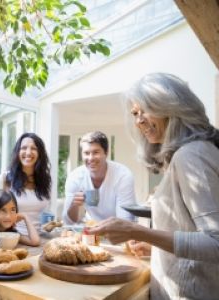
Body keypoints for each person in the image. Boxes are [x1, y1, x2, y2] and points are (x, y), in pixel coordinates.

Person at [86, 73, 219, 299]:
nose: (138, 120)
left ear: (170, 105)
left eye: (145, 109)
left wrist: (138, 231)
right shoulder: (195, 151)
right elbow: (188, 231)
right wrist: (155, 246)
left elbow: (215, 243)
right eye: (135, 114)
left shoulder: (191, 155)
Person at [62, 131, 136, 224]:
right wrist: (74, 205)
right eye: (86, 153)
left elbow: (126, 220)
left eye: (96, 152)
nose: (91, 158)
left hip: (119, 230)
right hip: (92, 229)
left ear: (106, 153)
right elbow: (68, 222)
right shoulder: (75, 177)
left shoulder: (122, 176)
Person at [0, 132, 51, 235]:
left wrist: (49, 225)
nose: (28, 152)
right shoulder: (3, 180)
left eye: (33, 148)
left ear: (40, 153)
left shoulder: (45, 180)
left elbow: (44, 213)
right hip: (12, 238)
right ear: (17, 152)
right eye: (24, 148)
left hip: (40, 237)